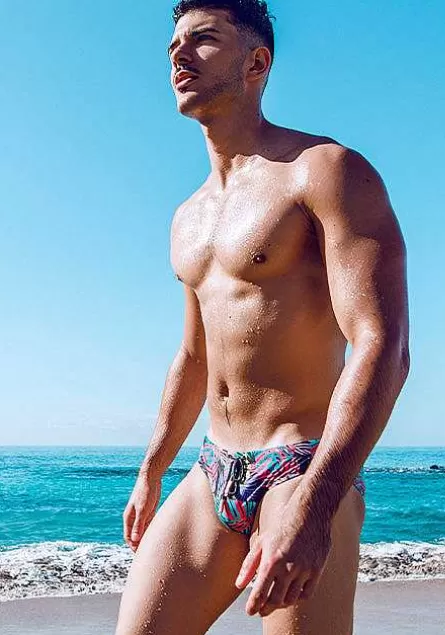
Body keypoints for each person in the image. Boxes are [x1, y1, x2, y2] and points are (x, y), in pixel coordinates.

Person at [115, 1, 410, 633]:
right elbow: (194, 356)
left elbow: (382, 343)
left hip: (301, 465)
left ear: (256, 63)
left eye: (203, 39)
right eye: (173, 45)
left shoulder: (324, 171)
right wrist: (151, 472)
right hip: (212, 466)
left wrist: (318, 501)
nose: (179, 54)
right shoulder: (188, 217)